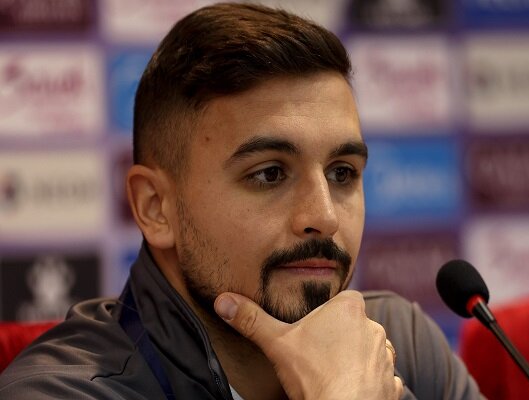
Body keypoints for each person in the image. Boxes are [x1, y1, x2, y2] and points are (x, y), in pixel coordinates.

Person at [0, 3, 482, 399]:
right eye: (270, 174)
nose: (324, 216)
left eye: (342, 173)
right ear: (155, 207)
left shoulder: (400, 342)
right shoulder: (58, 392)